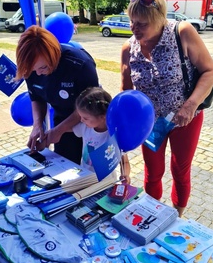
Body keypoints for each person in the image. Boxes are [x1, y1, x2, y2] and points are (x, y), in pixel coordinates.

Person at [121, 0, 213, 217]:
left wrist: (190, 105)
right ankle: (151, 214)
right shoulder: (128, 48)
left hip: (183, 118)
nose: (135, 29)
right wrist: (125, 125)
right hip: (150, 123)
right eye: (132, 22)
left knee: (180, 170)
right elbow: (126, 90)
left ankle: (178, 217)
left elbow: (210, 71)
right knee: (152, 171)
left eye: (142, 24)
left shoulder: (182, 32)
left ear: (160, 18)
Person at [15, 25, 99, 164]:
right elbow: (36, 97)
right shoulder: (30, 69)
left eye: (43, 67)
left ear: (53, 55)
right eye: (33, 70)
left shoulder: (80, 65)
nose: (38, 73)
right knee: (65, 165)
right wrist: (37, 126)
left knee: (91, 171)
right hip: (62, 119)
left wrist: (59, 130)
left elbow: (88, 107)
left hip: (90, 123)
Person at [71, 86, 131, 184]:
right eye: (80, 116)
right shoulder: (85, 127)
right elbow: (66, 129)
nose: (81, 120)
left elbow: (124, 161)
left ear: (103, 117)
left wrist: (126, 175)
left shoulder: (114, 135)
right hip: (86, 180)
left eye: (85, 118)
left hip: (107, 183)